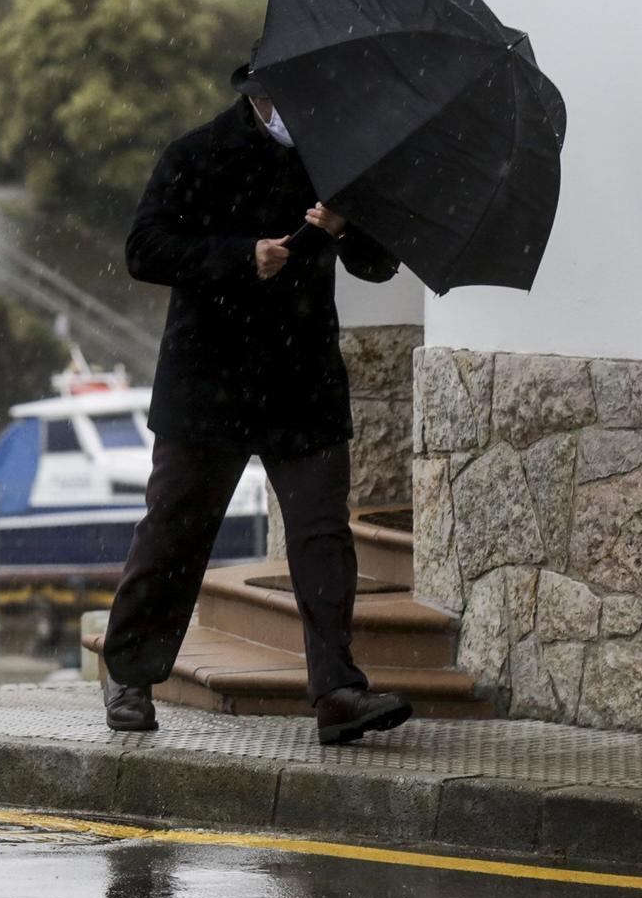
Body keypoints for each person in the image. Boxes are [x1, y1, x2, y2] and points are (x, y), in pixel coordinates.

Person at [82, 58, 415, 746]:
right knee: (176, 529)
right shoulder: (196, 153)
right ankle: (129, 672)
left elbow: (382, 265)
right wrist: (240, 257)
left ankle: (338, 692)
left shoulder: (338, 162)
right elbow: (144, 248)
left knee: (322, 535)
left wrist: (347, 225)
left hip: (303, 380)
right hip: (210, 380)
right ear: (260, 97)